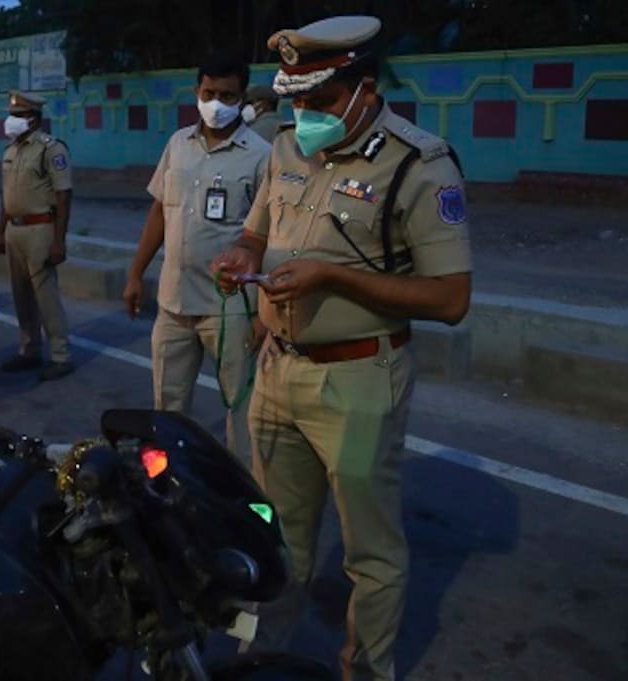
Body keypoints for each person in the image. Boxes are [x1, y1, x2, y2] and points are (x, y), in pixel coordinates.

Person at [212, 16, 471, 681]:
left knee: (371, 552)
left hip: (357, 381)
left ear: (365, 87)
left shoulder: (419, 163)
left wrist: (333, 276)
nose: (306, 115)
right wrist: (240, 254)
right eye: (297, 101)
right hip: (276, 372)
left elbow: (450, 299)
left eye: (321, 101)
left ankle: (368, 669)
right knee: (273, 532)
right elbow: (254, 230)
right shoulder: (285, 149)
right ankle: (259, 655)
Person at [123, 52, 270, 461]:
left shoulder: (261, 155)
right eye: (209, 93)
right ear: (196, 91)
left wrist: (263, 314)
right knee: (166, 408)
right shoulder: (177, 144)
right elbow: (158, 212)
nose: (217, 104)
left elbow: (270, 237)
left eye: (228, 95)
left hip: (230, 310)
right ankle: (166, 486)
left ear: (243, 98)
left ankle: (246, 501)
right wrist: (136, 273)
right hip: (173, 302)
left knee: (242, 411)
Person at [0, 90, 73, 381]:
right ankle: (29, 349)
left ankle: (60, 354)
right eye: (11, 114)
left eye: (17, 115)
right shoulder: (11, 150)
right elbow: (7, 196)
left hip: (41, 227)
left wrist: (59, 240)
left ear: (33, 118)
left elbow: (64, 195)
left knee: (45, 295)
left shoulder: (50, 149)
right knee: (21, 295)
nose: (11, 120)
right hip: (15, 228)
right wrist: (0, 231)